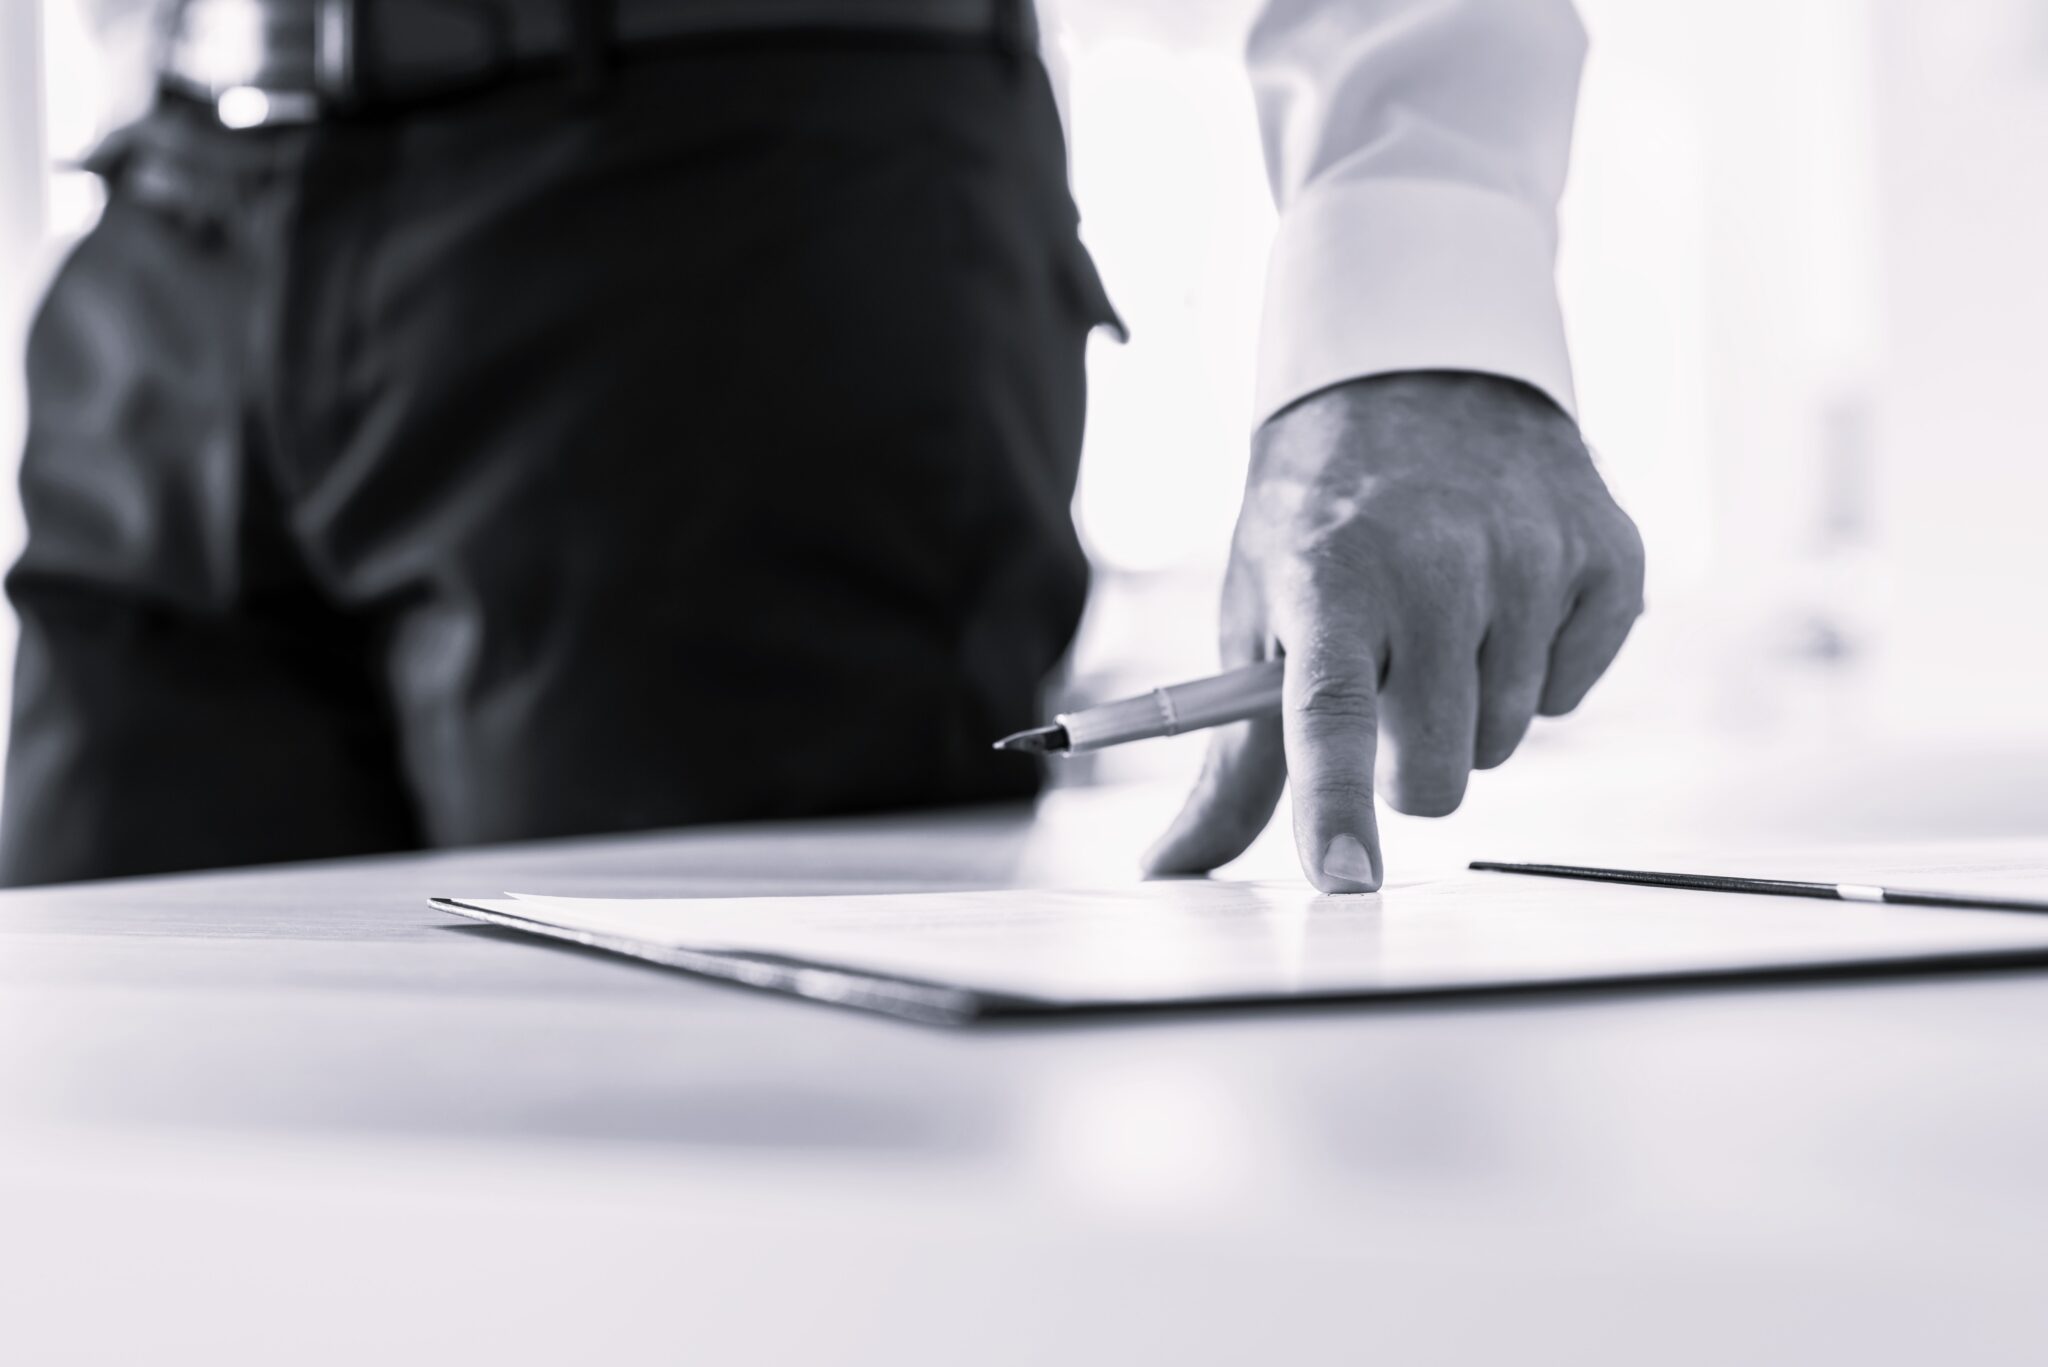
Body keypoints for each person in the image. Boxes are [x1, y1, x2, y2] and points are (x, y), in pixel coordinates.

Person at [0, 0, 1642, 891]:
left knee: (699, 1209)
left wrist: (1423, 316)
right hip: (167, 210)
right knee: (119, 1174)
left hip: (732, 216)